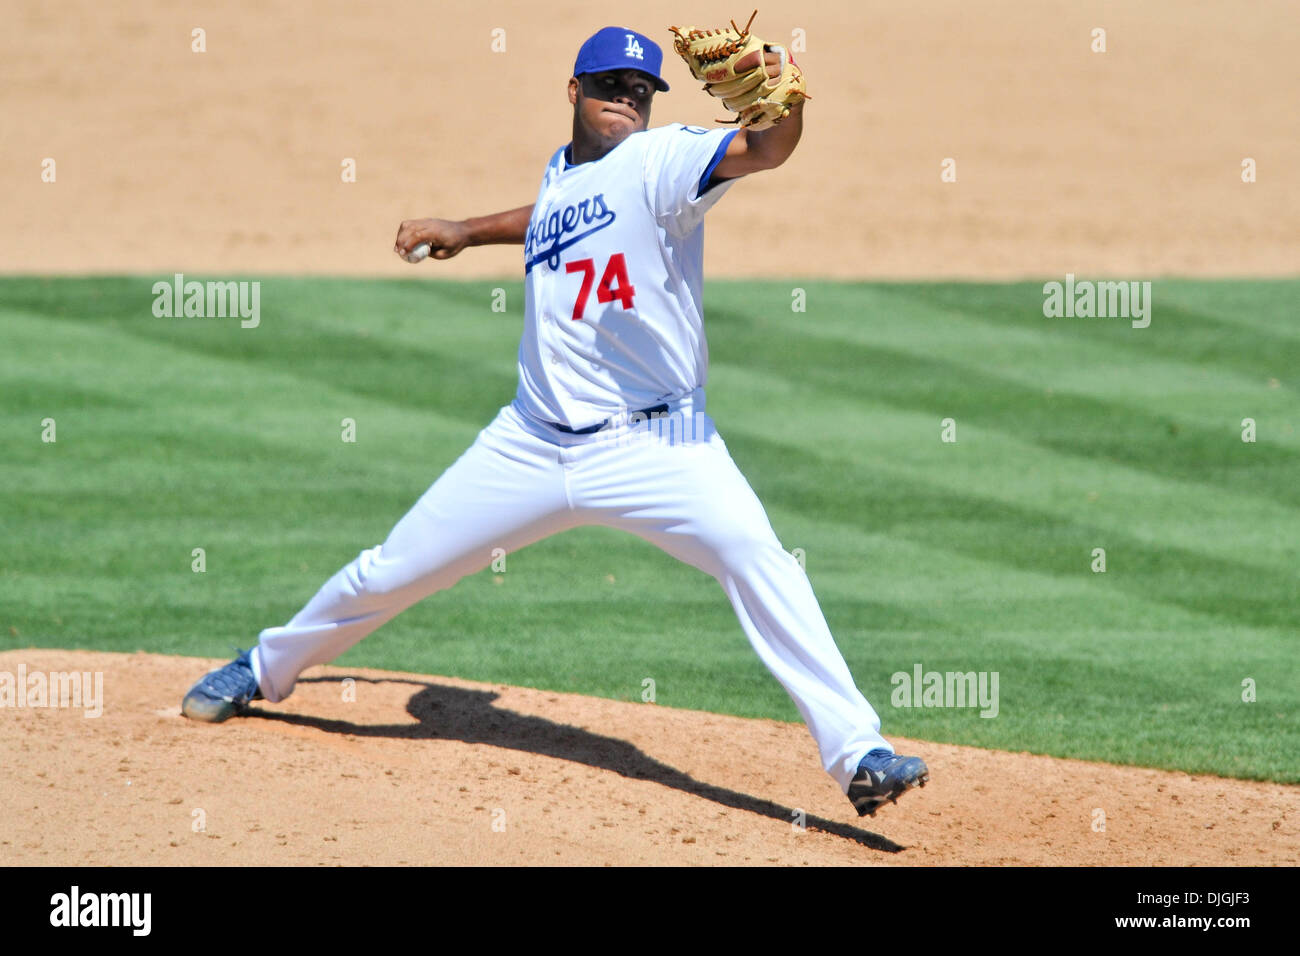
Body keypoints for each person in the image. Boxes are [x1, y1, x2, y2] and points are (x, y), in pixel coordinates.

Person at [181, 25, 929, 819]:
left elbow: (765, 151)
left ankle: (860, 755)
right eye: (611, 86)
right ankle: (263, 666)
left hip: (661, 441)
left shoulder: (662, 159)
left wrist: (788, 108)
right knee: (391, 569)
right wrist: (468, 231)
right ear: (574, 92)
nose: (627, 101)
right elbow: (554, 211)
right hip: (529, 442)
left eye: (641, 92)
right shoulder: (565, 172)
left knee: (759, 559)